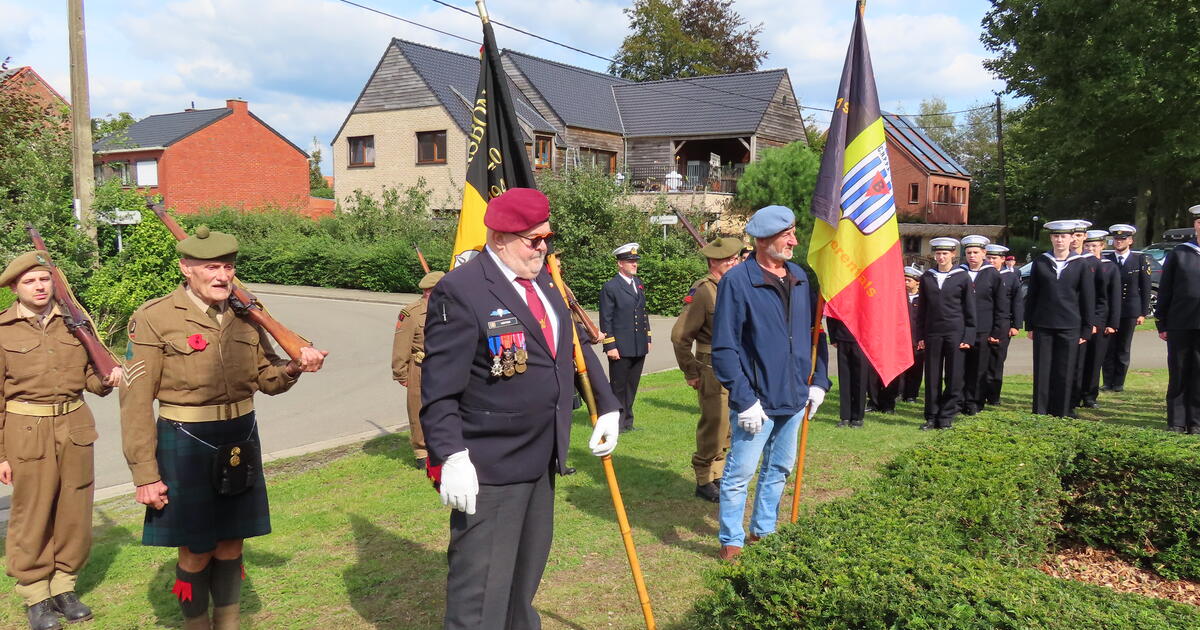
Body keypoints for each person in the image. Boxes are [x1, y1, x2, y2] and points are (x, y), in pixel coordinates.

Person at [419, 188, 620, 630]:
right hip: (489, 466)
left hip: (542, 456)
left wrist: (606, 406)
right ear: (500, 238)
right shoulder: (462, 290)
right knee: (480, 596)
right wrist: (450, 455)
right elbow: (437, 390)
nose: (544, 247)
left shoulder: (545, 281)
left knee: (523, 581)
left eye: (546, 237)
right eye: (534, 239)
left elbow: (569, 351)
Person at [120, 226, 328, 630]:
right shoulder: (154, 317)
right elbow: (134, 401)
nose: (221, 276)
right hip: (185, 442)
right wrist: (145, 474)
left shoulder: (246, 313)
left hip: (240, 436)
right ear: (185, 268)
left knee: (233, 542)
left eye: (228, 267)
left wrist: (293, 367)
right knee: (197, 548)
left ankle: (228, 625)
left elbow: (267, 379)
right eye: (210, 267)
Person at [0, 252, 122, 630]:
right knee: (32, 512)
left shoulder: (75, 323)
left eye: (44, 279)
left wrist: (107, 376)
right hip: (26, 430)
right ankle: (36, 594)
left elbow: (89, 378)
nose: (39, 287)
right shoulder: (2, 330)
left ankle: (65, 587)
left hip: (74, 424)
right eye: (30, 281)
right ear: (14, 288)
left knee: (74, 508)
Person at [711, 205, 830, 561]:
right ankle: (732, 540)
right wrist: (744, 399)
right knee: (740, 474)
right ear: (764, 241)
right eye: (786, 236)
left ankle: (764, 531)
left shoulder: (800, 276)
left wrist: (819, 381)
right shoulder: (737, 281)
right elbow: (725, 347)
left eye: (793, 233)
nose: (794, 241)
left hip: (794, 396)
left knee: (778, 468)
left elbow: (814, 333)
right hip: (757, 401)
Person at [670, 237, 741, 503]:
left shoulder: (732, 287)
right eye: (730, 260)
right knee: (715, 425)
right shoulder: (703, 291)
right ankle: (703, 479)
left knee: (729, 428)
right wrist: (691, 372)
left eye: (736, 259)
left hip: (735, 367)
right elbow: (680, 336)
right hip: (711, 369)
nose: (735, 263)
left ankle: (718, 474)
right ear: (715, 262)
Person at [1024, 220, 1094, 418]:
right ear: (1051, 238)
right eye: (1056, 236)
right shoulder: (1041, 261)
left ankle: (1063, 410)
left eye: (1063, 236)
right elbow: (1033, 295)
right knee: (1042, 369)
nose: (1059, 240)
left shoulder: (1081, 263)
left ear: (1072, 238)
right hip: (1043, 324)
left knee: (1065, 369)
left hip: (1070, 325)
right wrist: (1029, 324)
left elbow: (1088, 298)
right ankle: (1041, 410)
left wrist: (1086, 328)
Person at [915, 238, 976, 430]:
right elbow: (922, 310)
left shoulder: (962, 277)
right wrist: (920, 336)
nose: (941, 257)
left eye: (945, 254)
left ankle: (946, 415)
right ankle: (931, 416)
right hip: (933, 333)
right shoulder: (927, 277)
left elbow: (970, 309)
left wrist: (968, 336)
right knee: (932, 375)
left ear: (953, 255)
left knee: (954, 375)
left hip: (955, 333)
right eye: (938, 254)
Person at [392, 270, 445, 469]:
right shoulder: (412, 313)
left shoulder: (450, 307)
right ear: (430, 291)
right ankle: (422, 452)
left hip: (447, 367)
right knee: (419, 410)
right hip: (421, 367)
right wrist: (401, 373)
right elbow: (401, 345)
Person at [1155, 205, 1200, 433]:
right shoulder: (1179, 253)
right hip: (1180, 323)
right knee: (1179, 371)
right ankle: (1177, 420)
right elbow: (1165, 290)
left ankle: (1197, 422)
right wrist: (1161, 322)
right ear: (1195, 225)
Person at [599, 243, 651, 432]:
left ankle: (628, 421)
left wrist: (648, 338)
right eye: (630, 262)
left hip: (638, 344)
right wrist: (610, 345)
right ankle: (616, 422)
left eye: (635, 261)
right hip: (620, 346)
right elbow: (606, 319)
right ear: (620, 264)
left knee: (632, 386)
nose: (634, 264)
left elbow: (643, 312)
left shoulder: (637, 284)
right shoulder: (611, 287)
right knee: (618, 387)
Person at [958, 235, 1008, 415]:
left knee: (979, 368)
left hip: (984, 329)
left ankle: (975, 402)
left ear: (984, 253)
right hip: (962, 328)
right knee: (960, 367)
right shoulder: (959, 272)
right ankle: (959, 401)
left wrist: (997, 330)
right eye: (969, 252)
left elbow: (1001, 305)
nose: (972, 256)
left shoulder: (992, 274)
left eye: (976, 252)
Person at [1102, 224, 1152, 392]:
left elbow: (1145, 288)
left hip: (1130, 310)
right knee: (1108, 347)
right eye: (1116, 239)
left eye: (1123, 239)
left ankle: (1118, 383)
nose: (1119, 242)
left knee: (1123, 347)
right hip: (1109, 311)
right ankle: (1107, 381)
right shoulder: (1107, 259)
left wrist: (1143, 312)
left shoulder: (1139, 259)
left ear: (1130, 241)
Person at [1078, 230, 1121, 408]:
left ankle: (1090, 396)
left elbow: (1113, 297)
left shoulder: (1109, 267)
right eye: (1087, 245)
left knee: (1095, 360)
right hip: (1081, 320)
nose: (1090, 249)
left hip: (1101, 321)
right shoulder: (1079, 263)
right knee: (1079, 360)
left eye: (1094, 246)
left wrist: (1112, 323)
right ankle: (1075, 393)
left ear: (1102, 246)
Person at [984, 244, 1023, 405]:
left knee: (997, 361)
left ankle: (993, 396)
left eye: (995, 258)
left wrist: (1016, 325)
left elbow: (1017, 302)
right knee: (981, 361)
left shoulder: (1011, 277)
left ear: (1002, 259)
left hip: (1004, 323)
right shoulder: (982, 274)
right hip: (984, 323)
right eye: (989, 258)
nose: (991, 261)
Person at [1068, 220, 1100, 414]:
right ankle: (1070, 396)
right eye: (1072, 235)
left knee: (1089, 361)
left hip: (1089, 320)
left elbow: (1100, 296)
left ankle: (1087, 395)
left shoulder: (1094, 262)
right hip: (1069, 320)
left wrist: (1095, 321)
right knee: (1070, 361)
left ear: (1084, 237)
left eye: (1079, 235)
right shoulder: (1062, 260)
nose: (1075, 240)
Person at [828, 316, 869, 427]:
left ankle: (857, 417)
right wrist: (833, 337)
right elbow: (832, 311)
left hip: (862, 337)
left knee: (860, 379)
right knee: (844, 379)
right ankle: (845, 416)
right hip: (842, 336)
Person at [899, 265, 924, 403]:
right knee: (900, 368)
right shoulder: (899, 297)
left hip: (917, 340)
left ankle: (911, 394)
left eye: (908, 280)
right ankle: (898, 392)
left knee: (916, 368)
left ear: (917, 282)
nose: (905, 283)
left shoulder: (923, 299)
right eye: (903, 280)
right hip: (901, 339)